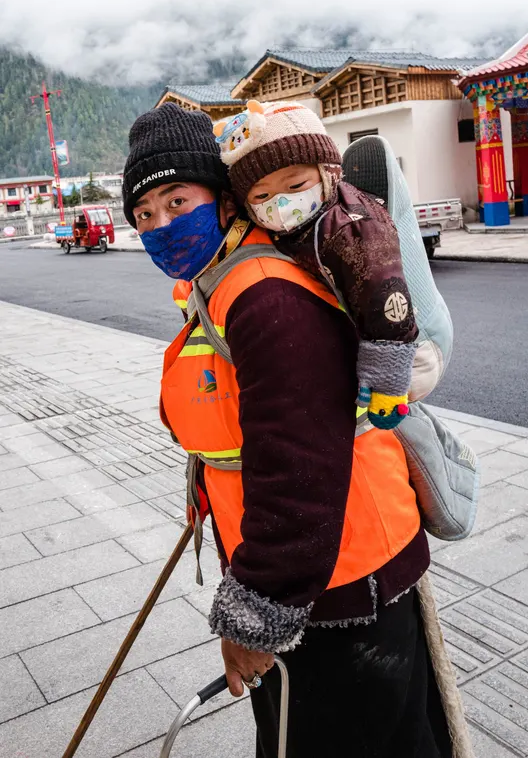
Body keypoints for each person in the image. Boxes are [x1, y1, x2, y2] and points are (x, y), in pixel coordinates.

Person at [122, 102, 456, 758]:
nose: (161, 225)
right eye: (144, 214)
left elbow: (298, 472)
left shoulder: (264, 295)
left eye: (176, 200)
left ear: (222, 200)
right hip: (316, 575)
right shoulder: (217, 284)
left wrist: (255, 615)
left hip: (341, 587)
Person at [213, 99, 417, 429]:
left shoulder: (352, 229)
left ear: (328, 172)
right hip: (341, 344)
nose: (280, 203)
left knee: (396, 434)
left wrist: (388, 384)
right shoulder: (288, 226)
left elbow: (385, 300)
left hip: (393, 353)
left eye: (295, 186)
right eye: (261, 196)